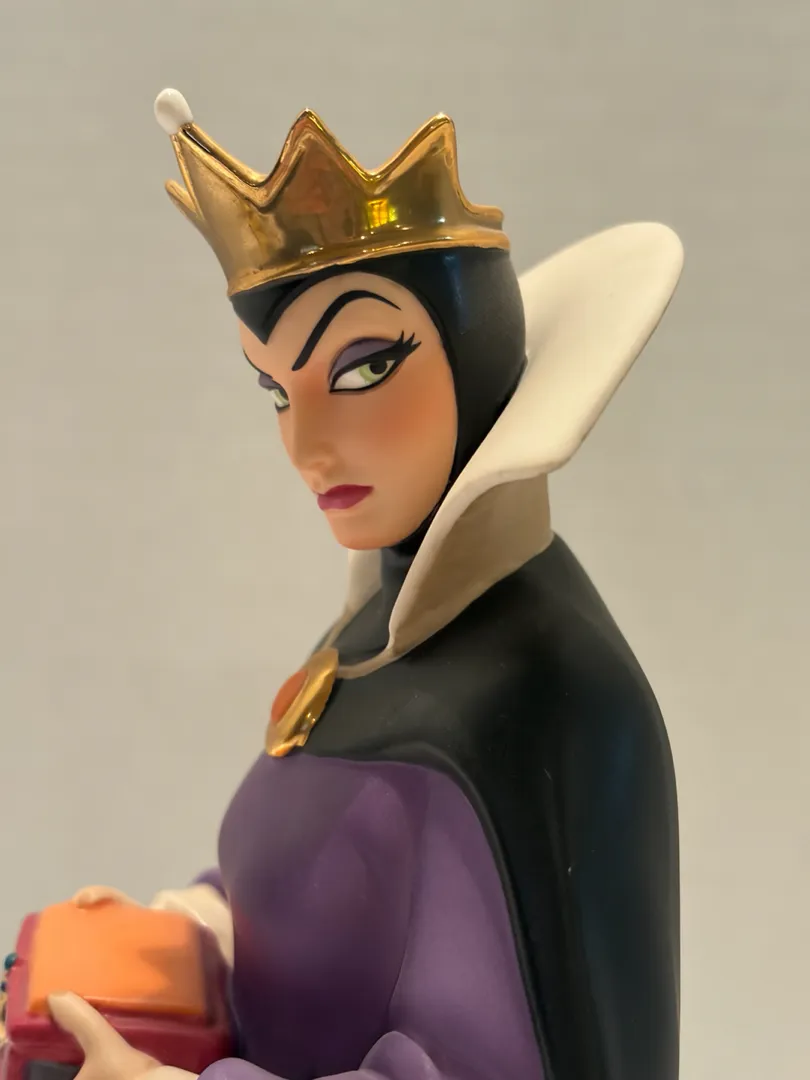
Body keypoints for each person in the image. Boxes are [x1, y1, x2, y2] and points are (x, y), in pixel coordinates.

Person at [48, 89, 684, 1080]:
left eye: (361, 370)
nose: (305, 446)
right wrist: (185, 938)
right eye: (276, 389)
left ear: (473, 354)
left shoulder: (538, 698)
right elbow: (318, 884)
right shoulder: (382, 632)